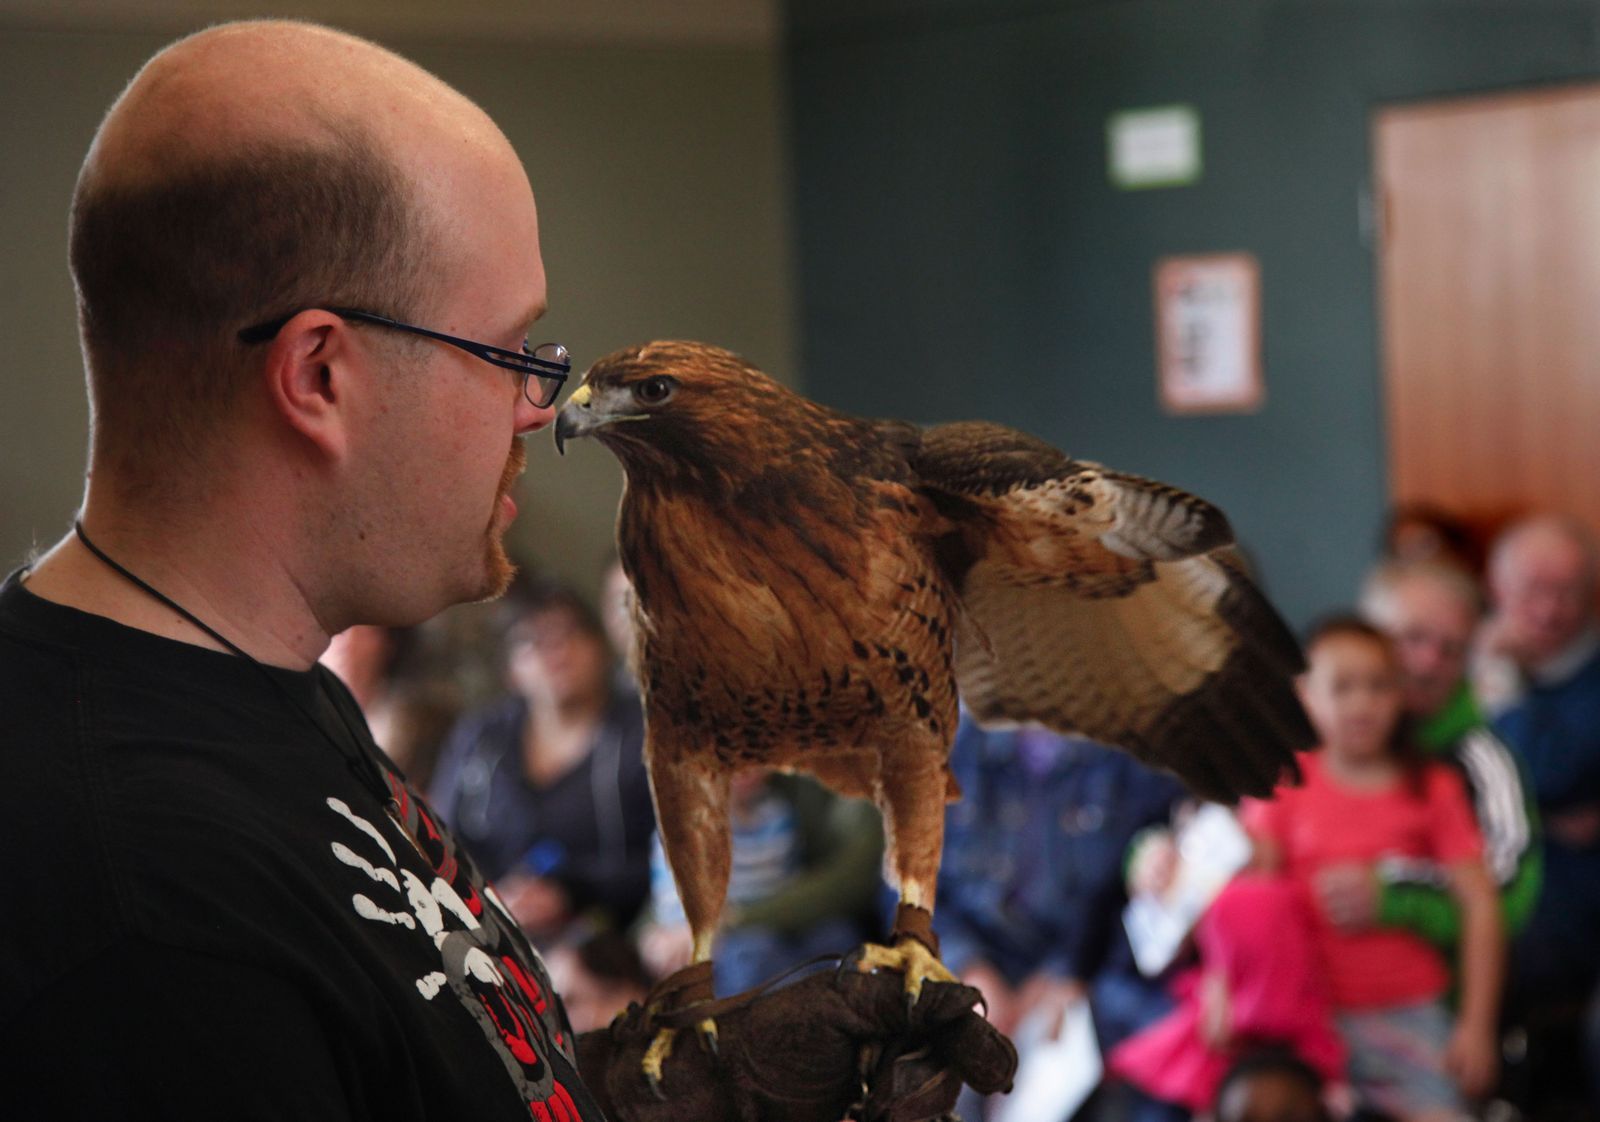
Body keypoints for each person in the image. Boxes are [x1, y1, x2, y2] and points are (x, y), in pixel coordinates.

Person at [0, 21, 1010, 1121]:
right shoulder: (138, 904)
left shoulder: (266, 687)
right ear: (321, 376)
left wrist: (693, 1091)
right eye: (509, 353)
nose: (541, 404)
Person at [1243, 618, 1503, 1121]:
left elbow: (1480, 902)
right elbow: (1250, 900)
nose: (1362, 704)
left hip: (1408, 1013)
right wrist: (1222, 987)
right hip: (1304, 1016)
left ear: (1401, 693)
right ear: (1303, 695)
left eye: (1379, 685)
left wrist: (1476, 1025)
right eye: (1342, 687)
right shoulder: (1285, 782)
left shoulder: (1433, 786)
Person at [932, 714, 1185, 1121]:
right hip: (966, 960)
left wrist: (1067, 973)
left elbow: (1126, 885)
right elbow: (902, 884)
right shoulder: (958, 744)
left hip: (1083, 970)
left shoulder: (1127, 754)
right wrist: (968, 969)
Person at [1292, 559, 1542, 951]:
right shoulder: (1302, 737)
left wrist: (1395, 898)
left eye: (1451, 650)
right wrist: (1169, 862)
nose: (1427, 664)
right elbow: (1223, 842)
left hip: (1421, 997)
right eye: (1411, 638)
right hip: (1298, 986)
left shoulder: (1480, 760)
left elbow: (1508, 896)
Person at [430, 578, 654, 941]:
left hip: (611, 935)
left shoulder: (640, 736)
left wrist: (570, 892)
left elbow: (664, 862)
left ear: (599, 647)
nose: (556, 652)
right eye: (533, 641)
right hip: (486, 925)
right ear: (510, 668)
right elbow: (441, 839)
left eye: (570, 634)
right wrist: (494, 898)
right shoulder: (482, 735)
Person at [1475, 514, 1600, 1108]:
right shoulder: (1455, 658)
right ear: (1497, 589)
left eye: (1567, 592)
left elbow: (1552, 773)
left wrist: (1501, 685)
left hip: (1566, 906)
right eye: (1533, 592)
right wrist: (1540, 817)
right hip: (1476, 885)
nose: (1550, 611)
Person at [637, 769, 883, 994]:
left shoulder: (776, 812)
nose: (745, 770)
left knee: (838, 936)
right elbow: (673, 897)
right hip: (727, 944)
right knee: (751, 957)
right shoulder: (688, 824)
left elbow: (842, 878)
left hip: (778, 925)